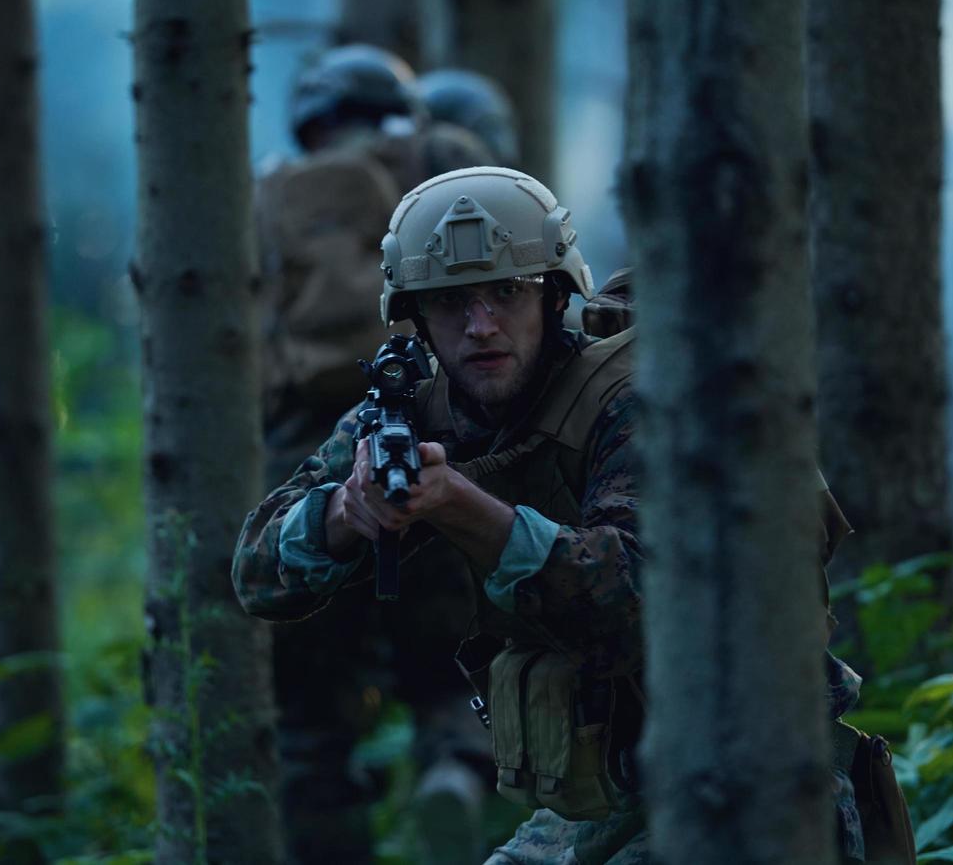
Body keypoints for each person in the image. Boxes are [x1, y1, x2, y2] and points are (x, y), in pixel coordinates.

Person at [234, 166, 901, 863]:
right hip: (604, 801)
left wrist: (459, 506)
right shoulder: (413, 413)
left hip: (747, 777)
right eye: (452, 302)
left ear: (555, 296)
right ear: (418, 318)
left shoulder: (636, 400)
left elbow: (632, 589)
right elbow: (256, 572)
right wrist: (345, 513)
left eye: (507, 292)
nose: (482, 325)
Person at [256, 45, 496, 865]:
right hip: (434, 436)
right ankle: (453, 778)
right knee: (452, 673)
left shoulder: (261, 190)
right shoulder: (440, 157)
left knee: (311, 724)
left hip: (304, 469)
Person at [416, 69, 521, 167]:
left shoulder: (419, 98)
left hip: (482, 113)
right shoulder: (424, 91)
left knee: (496, 162)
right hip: (486, 106)